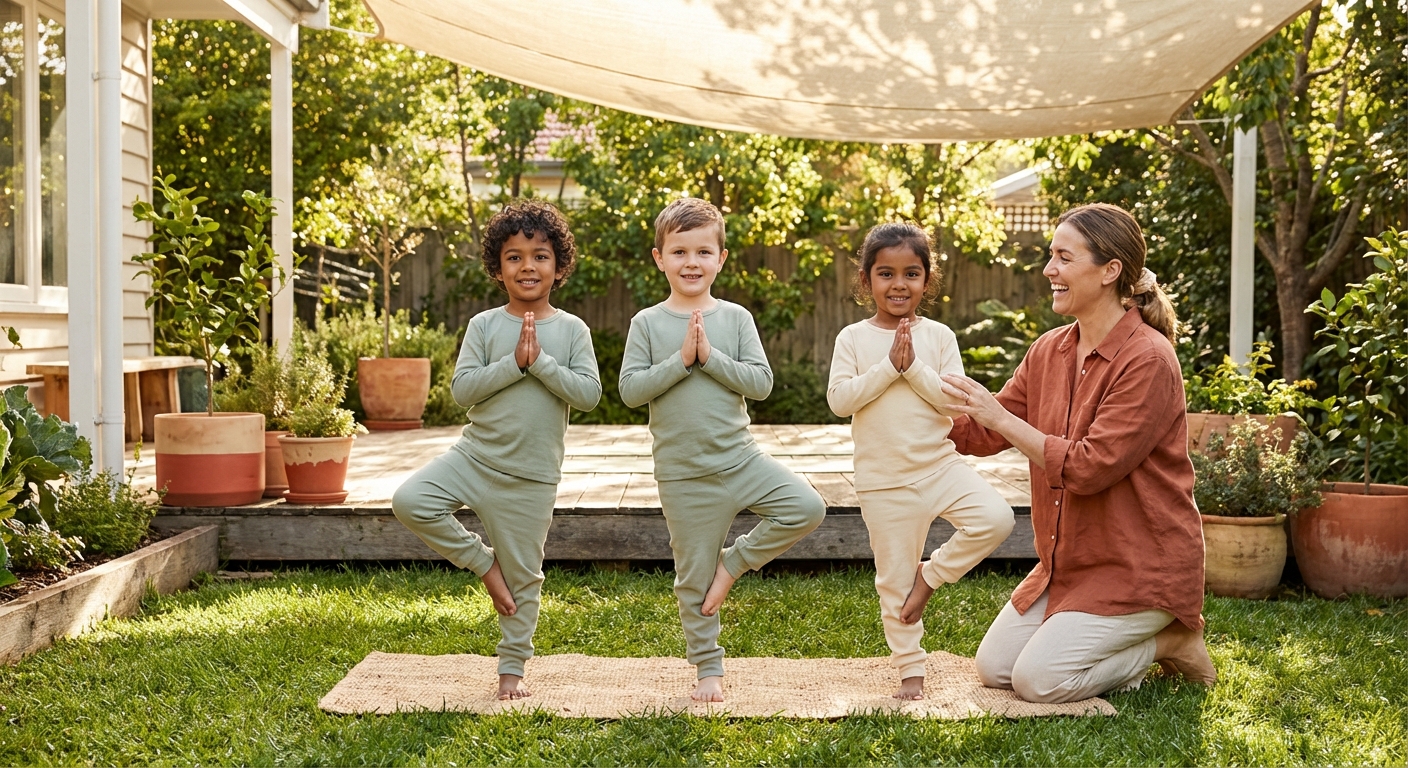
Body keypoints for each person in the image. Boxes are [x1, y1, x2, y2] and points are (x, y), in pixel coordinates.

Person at [938, 202, 1216, 704]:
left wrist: (999, 417)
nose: (1049, 270)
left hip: (1139, 568)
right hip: (1071, 563)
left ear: (1110, 271)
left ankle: (1171, 639)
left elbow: (1088, 468)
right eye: (1051, 256)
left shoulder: (1149, 359)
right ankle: (1116, 639)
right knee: (995, 669)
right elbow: (984, 433)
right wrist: (910, 410)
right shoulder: (1049, 349)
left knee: (1037, 681)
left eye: (1064, 258)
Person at [391, 200, 601, 701]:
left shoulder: (572, 331)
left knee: (525, 578)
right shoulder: (484, 326)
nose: (528, 266)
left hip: (531, 477)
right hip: (474, 459)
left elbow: (588, 395)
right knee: (410, 500)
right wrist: (513, 363)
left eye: (540, 255)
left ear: (559, 265)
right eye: (514, 256)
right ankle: (485, 565)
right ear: (497, 266)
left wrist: (541, 363)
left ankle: (512, 670)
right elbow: (463, 391)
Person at [619, 197, 825, 703]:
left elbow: (760, 383)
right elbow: (630, 390)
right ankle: (708, 668)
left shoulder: (735, 318)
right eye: (680, 251)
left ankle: (732, 564)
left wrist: (709, 358)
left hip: (741, 460)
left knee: (807, 507)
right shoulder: (647, 323)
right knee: (692, 578)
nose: (692, 262)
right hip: (684, 475)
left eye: (703, 251)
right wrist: (680, 360)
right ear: (659, 258)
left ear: (721, 258)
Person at [827, 222, 1015, 701]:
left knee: (995, 519)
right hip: (884, 484)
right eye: (886, 274)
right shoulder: (852, 338)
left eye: (911, 274)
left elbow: (954, 403)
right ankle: (911, 667)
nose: (899, 285)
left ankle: (929, 577)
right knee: (893, 580)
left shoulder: (939, 336)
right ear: (867, 279)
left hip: (939, 467)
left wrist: (912, 368)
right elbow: (840, 400)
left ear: (926, 281)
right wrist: (889, 366)